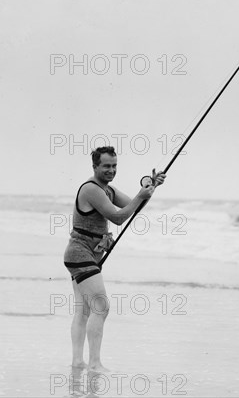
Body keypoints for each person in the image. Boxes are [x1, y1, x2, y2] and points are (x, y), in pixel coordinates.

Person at [63, 146, 165, 372]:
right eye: (106, 166)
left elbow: (134, 205)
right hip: (80, 254)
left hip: (86, 254)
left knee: (84, 310)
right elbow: (118, 217)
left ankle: (78, 362)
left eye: (114, 166)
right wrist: (141, 194)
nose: (111, 170)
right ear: (95, 167)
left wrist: (150, 186)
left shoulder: (107, 189)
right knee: (101, 306)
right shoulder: (91, 189)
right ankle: (95, 364)